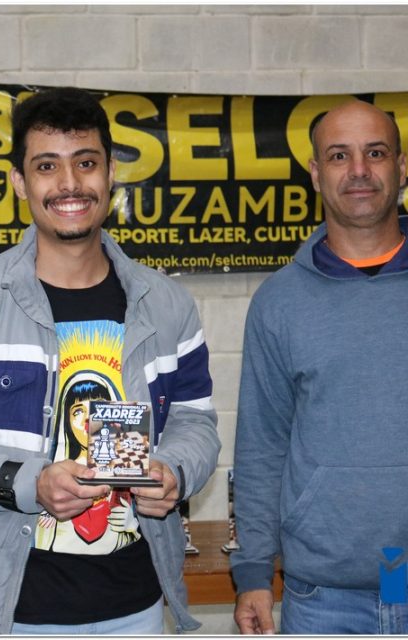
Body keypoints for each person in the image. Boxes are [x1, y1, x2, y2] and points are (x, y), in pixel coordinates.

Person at [0, 87, 220, 635]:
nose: (69, 184)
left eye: (85, 163)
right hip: (8, 614)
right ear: (20, 182)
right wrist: (29, 483)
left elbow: (195, 423)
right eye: (47, 166)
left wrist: (175, 471)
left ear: (110, 173)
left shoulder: (167, 304)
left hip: (136, 607)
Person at [231, 99, 408, 635]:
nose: (359, 170)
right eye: (338, 155)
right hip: (324, 600)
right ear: (315, 173)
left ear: (402, 167)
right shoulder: (279, 303)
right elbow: (262, 448)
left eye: (375, 153)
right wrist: (253, 571)